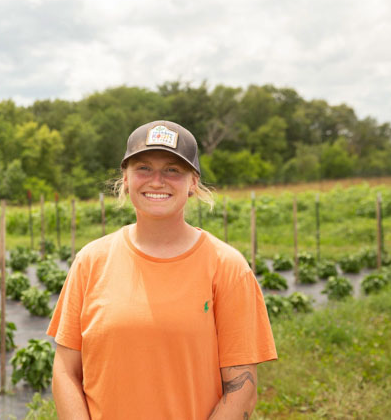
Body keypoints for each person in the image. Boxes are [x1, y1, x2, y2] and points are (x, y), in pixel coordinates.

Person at [47, 120, 277, 419]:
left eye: (172, 170)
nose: (157, 181)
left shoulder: (227, 267)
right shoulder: (92, 261)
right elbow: (65, 370)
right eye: (143, 168)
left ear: (193, 182)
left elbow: (241, 389)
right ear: (126, 178)